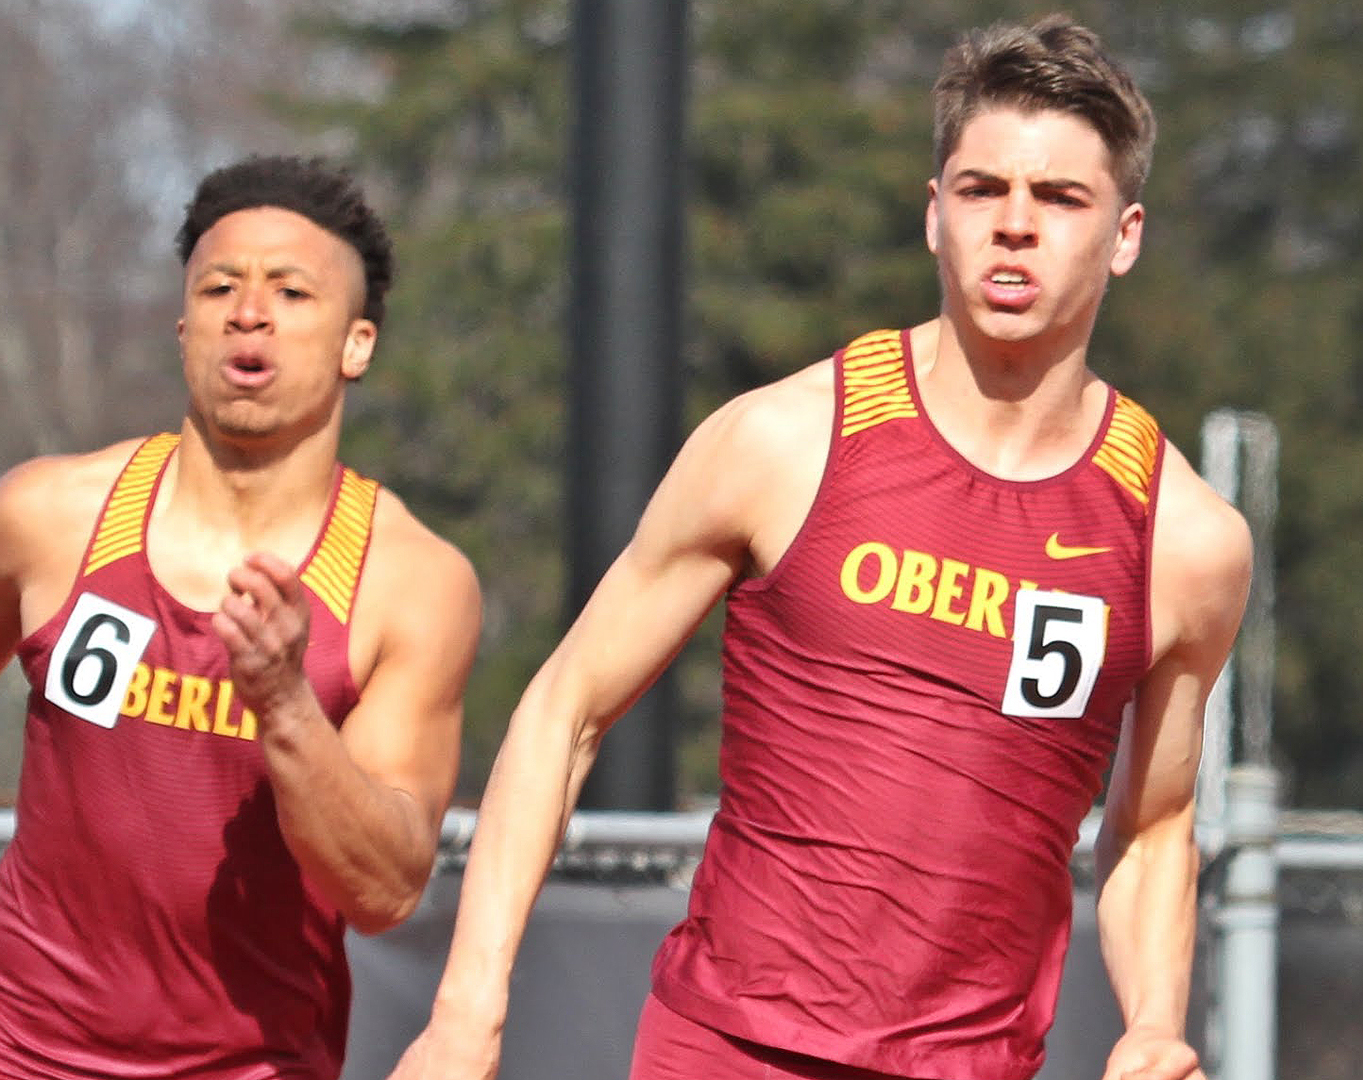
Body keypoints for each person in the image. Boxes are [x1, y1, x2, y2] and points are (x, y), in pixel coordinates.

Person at [390, 15, 1250, 1080]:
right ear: (934, 216)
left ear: (1125, 235)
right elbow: (565, 709)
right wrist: (466, 1013)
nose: (1015, 226)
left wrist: (1155, 1022)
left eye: (1061, 198)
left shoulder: (1184, 540)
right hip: (724, 1051)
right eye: (982, 190)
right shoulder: (782, 442)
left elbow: (1155, 825)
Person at [0, 154, 482, 1079]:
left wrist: (288, 706)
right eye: (220, 287)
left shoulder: (414, 582)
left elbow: (385, 890)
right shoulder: (46, 515)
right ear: (185, 328)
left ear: (357, 344)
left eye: (291, 292)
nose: (249, 311)